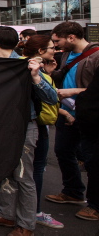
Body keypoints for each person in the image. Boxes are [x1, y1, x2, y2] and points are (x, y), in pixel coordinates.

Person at [0, 26, 58, 236]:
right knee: (6, 173)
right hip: (2, 128)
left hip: (24, 128)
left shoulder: (26, 67)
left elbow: (52, 98)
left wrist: (36, 77)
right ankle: (6, 215)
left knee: (24, 177)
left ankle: (26, 225)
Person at [45, 21, 99, 221]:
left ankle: (95, 204)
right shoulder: (67, 55)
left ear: (71, 37)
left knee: (92, 160)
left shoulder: (96, 56)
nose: (56, 45)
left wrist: (73, 91)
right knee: (63, 151)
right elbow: (67, 77)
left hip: (88, 115)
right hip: (67, 111)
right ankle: (73, 191)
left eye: (57, 41)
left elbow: (95, 91)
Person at [21, 35, 64, 229]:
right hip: (36, 125)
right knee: (34, 171)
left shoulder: (29, 67)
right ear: (40, 52)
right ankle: (34, 212)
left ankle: (21, 212)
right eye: (50, 47)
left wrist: (48, 73)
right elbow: (51, 98)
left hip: (36, 124)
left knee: (25, 172)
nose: (54, 50)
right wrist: (40, 76)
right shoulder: (29, 69)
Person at [74, 69, 99, 221]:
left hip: (91, 122)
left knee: (95, 165)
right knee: (92, 165)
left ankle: (95, 205)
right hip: (90, 124)